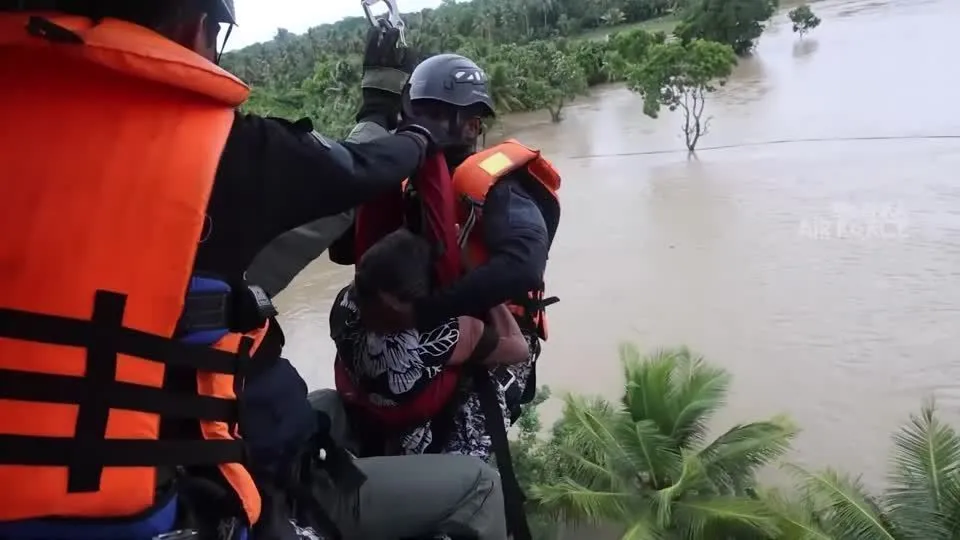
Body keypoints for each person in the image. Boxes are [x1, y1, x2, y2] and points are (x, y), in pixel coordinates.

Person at [0, 2, 471, 539]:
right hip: (206, 496)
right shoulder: (220, 151)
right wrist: (416, 134)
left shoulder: (29, 155)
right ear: (196, 26)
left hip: (50, 499)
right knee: (478, 482)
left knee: (329, 412)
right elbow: (355, 172)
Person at [331, 52, 562, 540]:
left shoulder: (498, 187)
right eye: (423, 111)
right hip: (423, 335)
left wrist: (422, 313)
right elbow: (340, 250)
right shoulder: (407, 172)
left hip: (487, 347)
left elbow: (523, 263)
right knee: (387, 435)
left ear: (471, 122)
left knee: (466, 479)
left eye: (441, 114)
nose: (429, 124)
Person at [331, 229, 530, 458]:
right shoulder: (437, 336)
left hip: (364, 401)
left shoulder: (344, 303)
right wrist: (479, 279)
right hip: (410, 421)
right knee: (513, 363)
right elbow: (519, 349)